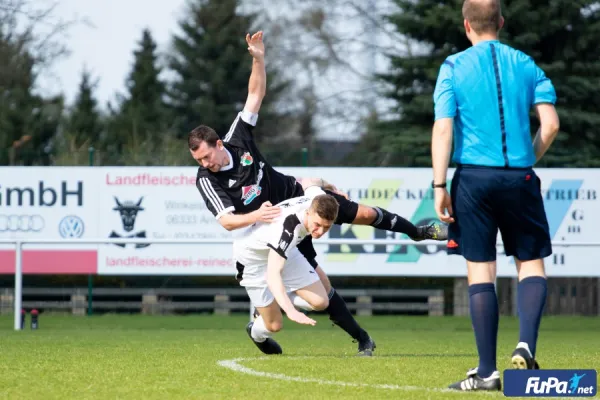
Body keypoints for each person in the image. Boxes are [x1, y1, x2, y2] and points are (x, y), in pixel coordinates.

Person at [190, 31, 448, 356]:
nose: (204, 164)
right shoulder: (206, 179)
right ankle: (264, 325)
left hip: (296, 197)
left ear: (217, 144)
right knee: (287, 314)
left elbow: (255, 94)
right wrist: (259, 214)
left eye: (206, 156)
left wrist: (258, 58)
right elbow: (228, 222)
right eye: (198, 160)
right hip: (265, 227)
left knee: (363, 215)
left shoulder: (237, 138)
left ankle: (417, 233)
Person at [431, 0, 560, 392]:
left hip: (473, 179)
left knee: (481, 270)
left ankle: (487, 371)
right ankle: (525, 344)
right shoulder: (526, 65)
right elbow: (551, 125)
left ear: (466, 25)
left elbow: (443, 129)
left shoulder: (453, 67)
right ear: (500, 23)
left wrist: (439, 185)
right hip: (518, 178)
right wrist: (526, 159)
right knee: (531, 264)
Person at [236, 186, 340, 354]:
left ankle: (277, 298)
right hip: (252, 260)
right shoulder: (287, 229)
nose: (320, 232)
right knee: (274, 326)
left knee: (321, 302)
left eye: (326, 227)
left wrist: (330, 186)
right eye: (317, 225)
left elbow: (310, 183)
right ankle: (255, 333)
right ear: (308, 213)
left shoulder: (317, 199)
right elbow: (272, 274)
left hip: (283, 252)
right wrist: (291, 312)